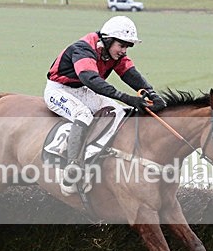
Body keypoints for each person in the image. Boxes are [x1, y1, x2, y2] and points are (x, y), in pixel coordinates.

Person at [45, 15, 166, 195]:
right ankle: (72, 166)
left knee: (116, 111)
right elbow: (91, 79)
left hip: (83, 89)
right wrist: (127, 97)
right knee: (82, 114)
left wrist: (151, 93)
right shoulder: (83, 49)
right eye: (122, 45)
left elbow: (130, 73)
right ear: (108, 40)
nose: (124, 51)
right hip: (60, 90)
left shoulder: (113, 52)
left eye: (127, 46)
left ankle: (97, 156)